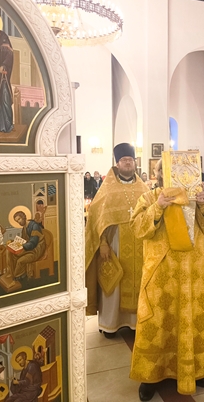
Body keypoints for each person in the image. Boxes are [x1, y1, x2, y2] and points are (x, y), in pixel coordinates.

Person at [129, 159, 204, 400]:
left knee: (192, 320)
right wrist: (158, 207)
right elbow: (137, 229)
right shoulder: (149, 198)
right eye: (168, 170)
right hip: (161, 276)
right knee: (158, 322)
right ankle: (151, 376)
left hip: (193, 274)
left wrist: (203, 205)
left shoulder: (195, 198)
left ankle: (195, 370)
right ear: (160, 173)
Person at [85, 143, 149, 338]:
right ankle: (109, 324)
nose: (128, 163)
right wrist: (103, 243)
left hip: (139, 244)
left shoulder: (143, 188)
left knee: (138, 282)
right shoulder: (108, 189)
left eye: (130, 160)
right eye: (124, 160)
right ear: (117, 163)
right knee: (113, 282)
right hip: (114, 245)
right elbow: (97, 218)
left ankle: (134, 323)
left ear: (134, 163)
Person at [5, 211, 46, 286]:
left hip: (37, 249)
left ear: (23, 217)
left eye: (19, 219)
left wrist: (22, 246)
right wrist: (12, 242)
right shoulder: (24, 228)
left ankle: (15, 280)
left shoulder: (34, 226)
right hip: (29, 247)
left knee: (20, 261)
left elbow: (33, 243)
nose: (19, 222)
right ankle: (12, 273)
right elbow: (23, 240)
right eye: (17, 221)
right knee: (13, 255)